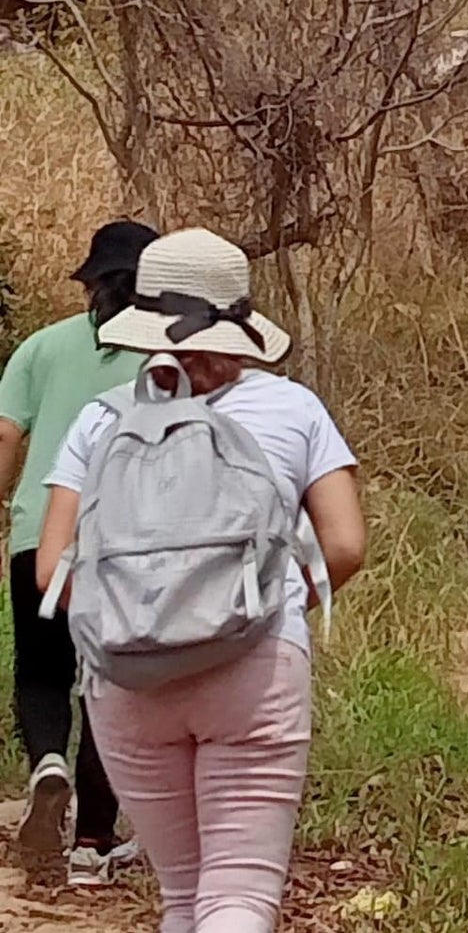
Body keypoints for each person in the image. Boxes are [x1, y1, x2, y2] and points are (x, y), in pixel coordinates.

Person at [37, 228, 366, 933]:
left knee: (182, 894)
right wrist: (267, 602)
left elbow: (51, 570)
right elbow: (344, 544)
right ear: (240, 320)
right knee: (238, 894)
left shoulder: (101, 421)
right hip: (255, 664)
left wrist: (136, 616)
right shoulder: (292, 408)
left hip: (126, 679)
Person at [0, 218, 157, 886]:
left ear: (89, 282)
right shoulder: (167, 358)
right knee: (109, 686)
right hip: (130, 543)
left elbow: (6, 438)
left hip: (41, 531)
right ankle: (93, 842)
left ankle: (45, 763)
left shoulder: (39, 348)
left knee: (40, 672)